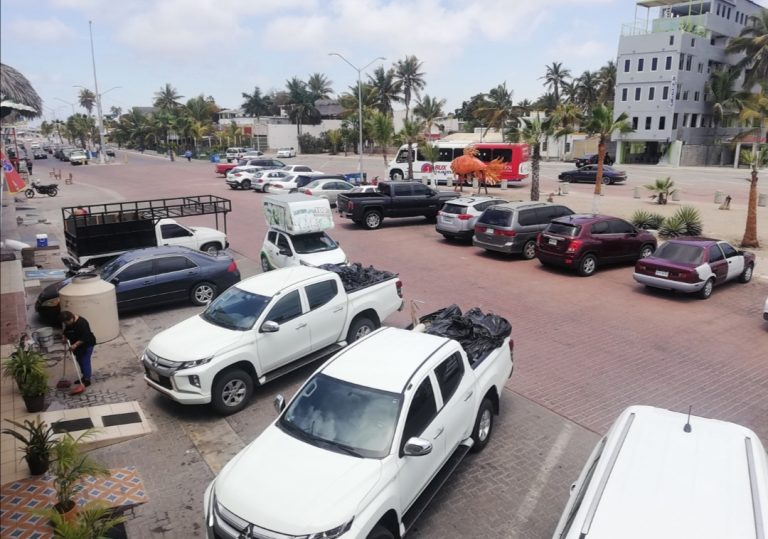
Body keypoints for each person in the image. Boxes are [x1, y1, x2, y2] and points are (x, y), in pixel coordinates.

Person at [60, 310, 96, 387]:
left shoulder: (82, 323)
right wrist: (64, 336)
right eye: (65, 323)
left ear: (71, 319)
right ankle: (83, 377)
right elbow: (66, 330)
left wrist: (75, 345)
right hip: (76, 345)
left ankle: (87, 379)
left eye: (66, 322)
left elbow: (85, 337)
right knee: (79, 360)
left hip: (87, 344)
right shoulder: (69, 322)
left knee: (85, 360)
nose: (66, 324)